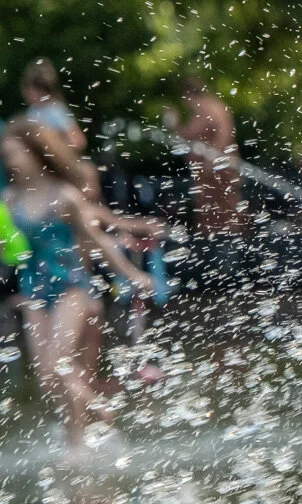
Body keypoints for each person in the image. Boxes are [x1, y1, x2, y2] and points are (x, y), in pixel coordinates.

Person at [1, 130, 155, 448]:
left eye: (13, 153)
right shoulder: (9, 200)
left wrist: (130, 273)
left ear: (35, 153)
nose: (8, 161)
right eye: (6, 155)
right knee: (48, 377)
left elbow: (96, 240)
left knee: (60, 363)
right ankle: (77, 447)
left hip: (71, 288)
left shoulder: (64, 196)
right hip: (34, 292)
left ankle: (97, 408)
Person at [167, 75, 247, 238]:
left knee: (226, 208)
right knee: (206, 209)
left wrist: (212, 159)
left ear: (189, 93)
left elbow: (225, 134)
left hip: (220, 169)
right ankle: (210, 243)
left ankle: (231, 244)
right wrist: (173, 125)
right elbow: (188, 137)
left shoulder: (214, 108)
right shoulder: (199, 112)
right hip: (204, 173)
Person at [9, 58, 98, 200]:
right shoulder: (31, 112)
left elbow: (78, 141)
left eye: (28, 89)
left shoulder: (55, 111)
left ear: (39, 89)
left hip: (60, 168)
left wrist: (54, 146)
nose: (26, 93)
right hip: (41, 170)